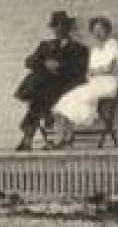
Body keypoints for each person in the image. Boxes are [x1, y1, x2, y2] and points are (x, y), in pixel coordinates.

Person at [13, 10, 89, 150]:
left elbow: (80, 70)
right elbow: (28, 62)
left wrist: (61, 66)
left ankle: (28, 137)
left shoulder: (79, 48)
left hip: (65, 86)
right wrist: (45, 63)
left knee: (39, 100)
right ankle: (33, 133)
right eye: (56, 26)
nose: (59, 30)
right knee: (41, 95)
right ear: (53, 28)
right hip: (46, 88)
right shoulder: (45, 46)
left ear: (68, 28)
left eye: (63, 26)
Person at [48, 17, 118, 148]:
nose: (98, 33)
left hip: (108, 85)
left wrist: (97, 71)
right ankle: (65, 138)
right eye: (95, 30)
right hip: (94, 84)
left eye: (101, 29)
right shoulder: (94, 50)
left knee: (77, 99)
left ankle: (62, 139)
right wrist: (98, 71)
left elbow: (114, 70)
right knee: (65, 100)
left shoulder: (113, 45)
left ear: (107, 30)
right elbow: (90, 72)